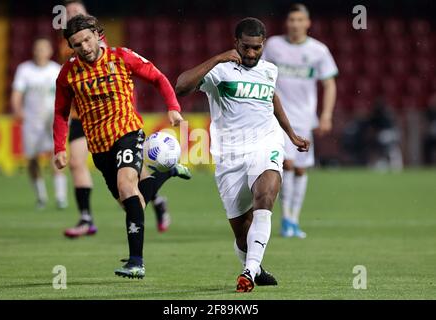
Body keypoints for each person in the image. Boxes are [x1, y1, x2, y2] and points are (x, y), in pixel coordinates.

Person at [176, 17, 310, 292]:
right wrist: (216, 59)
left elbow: (272, 98)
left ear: (263, 46)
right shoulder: (220, 71)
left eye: (257, 48)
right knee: (242, 234)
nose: (251, 54)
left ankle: (248, 272)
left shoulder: (269, 70)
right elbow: (181, 86)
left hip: (265, 143)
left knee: (266, 196)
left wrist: (291, 134)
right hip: (230, 155)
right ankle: (256, 266)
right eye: (246, 48)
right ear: (236, 43)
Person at [53, 15, 184, 279]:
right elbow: (60, 112)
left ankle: (136, 261)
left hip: (127, 132)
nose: (85, 47)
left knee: (127, 187)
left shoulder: (120, 57)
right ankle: (164, 174)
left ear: (97, 34)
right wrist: (59, 147)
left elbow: (158, 77)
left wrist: (173, 108)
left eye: (88, 40)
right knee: (132, 204)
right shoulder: (68, 72)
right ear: (71, 46)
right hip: (99, 146)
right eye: (77, 44)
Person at [262, 3, 338, 238]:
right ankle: (286, 218)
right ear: (287, 22)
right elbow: (261, 73)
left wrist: (325, 115)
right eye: (291, 20)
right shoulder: (273, 45)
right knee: (287, 165)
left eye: (299, 20)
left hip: (305, 117)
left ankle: (294, 219)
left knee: (302, 169)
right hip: (278, 116)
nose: (295, 24)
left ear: (307, 23)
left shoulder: (318, 51)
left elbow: (329, 83)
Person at [11, 38, 68, 210]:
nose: (40, 51)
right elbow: (17, 93)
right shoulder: (25, 70)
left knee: (56, 156)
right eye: (38, 48)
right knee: (32, 160)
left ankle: (60, 197)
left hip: (52, 120)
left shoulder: (56, 70)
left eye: (44, 48)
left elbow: (66, 95)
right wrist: (17, 110)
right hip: (31, 121)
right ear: (33, 51)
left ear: (50, 51)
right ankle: (41, 197)